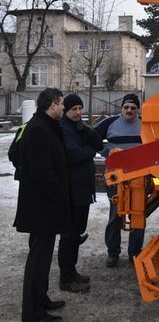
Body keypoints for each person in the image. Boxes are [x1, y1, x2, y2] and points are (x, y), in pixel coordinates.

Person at [13, 88, 70, 322]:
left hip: (45, 208)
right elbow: (41, 172)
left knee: (44, 258)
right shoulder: (38, 129)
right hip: (41, 209)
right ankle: (33, 313)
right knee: (38, 260)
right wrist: (59, 196)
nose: (64, 109)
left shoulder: (45, 126)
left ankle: (41, 299)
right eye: (62, 104)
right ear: (53, 104)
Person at [58, 94, 103, 292]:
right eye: (73, 109)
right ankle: (66, 279)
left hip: (82, 189)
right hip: (72, 191)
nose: (77, 113)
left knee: (76, 233)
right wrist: (90, 151)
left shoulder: (78, 127)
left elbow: (99, 144)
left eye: (79, 108)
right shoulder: (64, 129)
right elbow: (74, 155)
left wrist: (87, 129)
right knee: (69, 235)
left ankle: (71, 271)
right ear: (65, 110)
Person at [95, 93, 144, 267]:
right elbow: (92, 138)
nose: (129, 110)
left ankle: (135, 253)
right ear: (121, 108)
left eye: (133, 108)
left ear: (138, 110)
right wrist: (107, 152)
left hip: (139, 175)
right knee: (115, 213)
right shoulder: (110, 123)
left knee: (138, 214)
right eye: (126, 107)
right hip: (115, 175)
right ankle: (113, 253)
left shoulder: (145, 124)